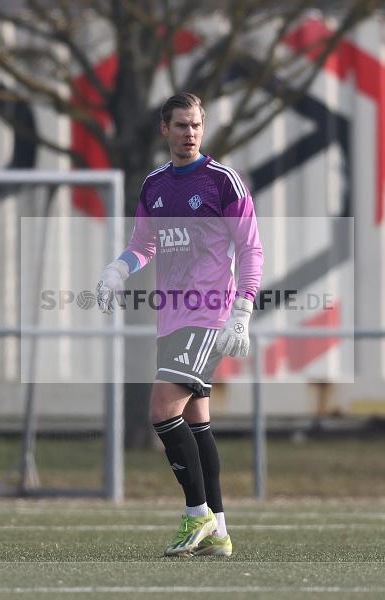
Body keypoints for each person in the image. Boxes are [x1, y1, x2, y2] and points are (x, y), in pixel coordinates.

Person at [96, 92, 263, 557]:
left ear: (202, 128)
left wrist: (243, 309)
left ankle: (197, 517)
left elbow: (251, 248)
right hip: (171, 316)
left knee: (160, 409)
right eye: (181, 125)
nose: (189, 133)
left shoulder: (222, 181)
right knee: (196, 422)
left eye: (196, 125)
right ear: (164, 130)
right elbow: (143, 244)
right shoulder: (154, 185)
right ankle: (221, 530)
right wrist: (117, 270)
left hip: (209, 313)